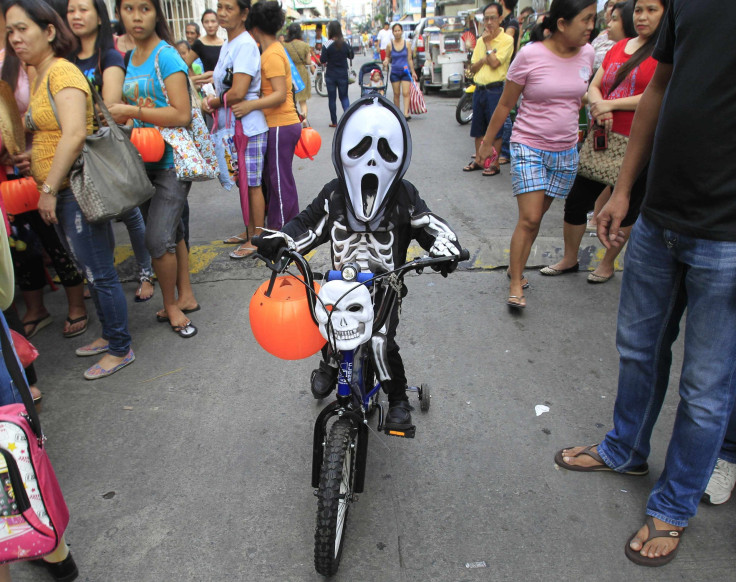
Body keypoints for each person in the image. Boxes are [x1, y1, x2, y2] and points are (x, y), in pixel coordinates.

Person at [555, 0, 736, 567]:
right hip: (661, 216)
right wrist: (625, 190)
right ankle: (624, 448)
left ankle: (675, 504)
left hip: (728, 240)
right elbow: (661, 85)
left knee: (705, 389)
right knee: (637, 348)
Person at [252, 95, 463, 433]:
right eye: (360, 148)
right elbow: (307, 225)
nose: (371, 160)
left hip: (385, 292)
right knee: (329, 326)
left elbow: (427, 223)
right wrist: (281, 242)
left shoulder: (403, 195)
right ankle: (332, 365)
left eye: (384, 150)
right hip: (340, 285)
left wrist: (446, 247)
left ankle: (396, 397)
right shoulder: (334, 193)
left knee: (381, 342)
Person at [6, 0, 134, 380]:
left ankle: (119, 346)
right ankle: (110, 335)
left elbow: (76, 133)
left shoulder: (60, 73)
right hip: (62, 188)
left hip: (73, 189)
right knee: (92, 269)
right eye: (10, 30)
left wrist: (46, 187)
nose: (15, 38)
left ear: (48, 31)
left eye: (22, 29)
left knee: (100, 272)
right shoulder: (44, 72)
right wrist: (35, 154)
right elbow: (55, 131)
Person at [477, 0, 596, 309]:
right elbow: (505, 104)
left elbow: (578, 95)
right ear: (561, 23)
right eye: (585, 19)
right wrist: (488, 142)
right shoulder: (530, 55)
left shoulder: (588, 53)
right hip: (529, 145)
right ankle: (516, 282)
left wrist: (596, 103)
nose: (590, 26)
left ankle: (514, 266)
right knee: (529, 218)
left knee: (537, 215)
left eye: (593, 20)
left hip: (566, 150)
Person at [541, 0, 662, 284]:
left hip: (639, 142)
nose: (643, 17)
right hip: (601, 139)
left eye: (652, 10)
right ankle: (570, 257)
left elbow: (655, 97)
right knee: (576, 201)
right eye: (640, 10)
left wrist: (609, 104)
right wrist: (599, 105)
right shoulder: (618, 48)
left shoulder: (664, 53)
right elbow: (593, 86)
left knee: (627, 208)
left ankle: (607, 263)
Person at [109, 0, 199, 339]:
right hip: (141, 161)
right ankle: (185, 295)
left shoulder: (166, 56)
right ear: (119, 14)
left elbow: (181, 114)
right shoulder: (127, 59)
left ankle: (171, 304)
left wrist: (133, 110)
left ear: (156, 13)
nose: (136, 16)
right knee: (171, 231)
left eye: (144, 8)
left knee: (156, 238)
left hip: (172, 162)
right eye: (128, 8)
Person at [67, 0, 156, 303]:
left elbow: (111, 110)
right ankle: (107, 283)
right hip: (75, 153)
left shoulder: (109, 57)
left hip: (104, 150)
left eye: (83, 9)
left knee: (128, 212)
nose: (76, 16)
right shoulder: (65, 59)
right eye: (71, 10)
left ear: (99, 16)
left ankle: (146, 272)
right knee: (95, 218)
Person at [201, 0, 268, 259]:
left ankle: (257, 238)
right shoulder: (230, 43)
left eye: (229, 8)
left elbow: (238, 91)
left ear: (244, 13)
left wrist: (212, 102)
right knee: (242, 181)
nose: (222, 13)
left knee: (252, 183)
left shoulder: (245, 45)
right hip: (233, 126)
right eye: (220, 6)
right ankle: (248, 230)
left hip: (249, 126)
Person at [231, 0, 301, 232]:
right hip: (279, 125)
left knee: (280, 181)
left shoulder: (271, 55)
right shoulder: (271, 51)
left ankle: (284, 230)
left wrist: (251, 106)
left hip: (282, 124)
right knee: (274, 179)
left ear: (255, 28)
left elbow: (280, 94)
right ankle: (278, 226)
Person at [463, 2, 514, 177]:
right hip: (480, 88)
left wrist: (487, 47)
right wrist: (485, 53)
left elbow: (494, 63)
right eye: (486, 19)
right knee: (478, 126)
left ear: (500, 18)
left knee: (496, 127)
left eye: (493, 18)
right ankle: (479, 159)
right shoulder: (480, 41)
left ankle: (493, 163)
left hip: (496, 89)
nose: (489, 22)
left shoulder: (507, 40)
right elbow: (473, 67)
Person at [320, 20, 354, 128]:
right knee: (344, 97)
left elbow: (323, 60)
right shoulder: (345, 43)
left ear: (330, 31)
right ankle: (348, 120)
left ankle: (334, 122)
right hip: (343, 74)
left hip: (330, 74)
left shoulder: (326, 44)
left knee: (332, 99)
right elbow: (351, 56)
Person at [383, 22, 417, 120]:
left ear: (402, 31)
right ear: (392, 32)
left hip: (405, 72)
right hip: (395, 72)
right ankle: (397, 113)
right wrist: (386, 61)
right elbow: (387, 57)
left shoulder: (407, 44)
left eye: (399, 30)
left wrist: (413, 71)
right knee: (396, 94)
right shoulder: (390, 45)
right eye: (395, 31)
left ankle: (406, 113)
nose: (397, 33)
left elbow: (410, 59)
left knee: (406, 93)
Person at [283, 22, 313, 124]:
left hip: (289, 72)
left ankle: (293, 120)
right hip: (302, 73)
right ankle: (304, 119)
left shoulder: (284, 45)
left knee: (291, 100)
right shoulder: (305, 45)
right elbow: (308, 62)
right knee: (302, 100)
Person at [185, 8, 224, 87]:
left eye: (213, 21)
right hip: (209, 88)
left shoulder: (225, 42)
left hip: (224, 85)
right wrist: (199, 78)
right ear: (202, 24)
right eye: (206, 22)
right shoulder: (199, 44)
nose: (210, 25)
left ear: (218, 23)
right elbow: (186, 64)